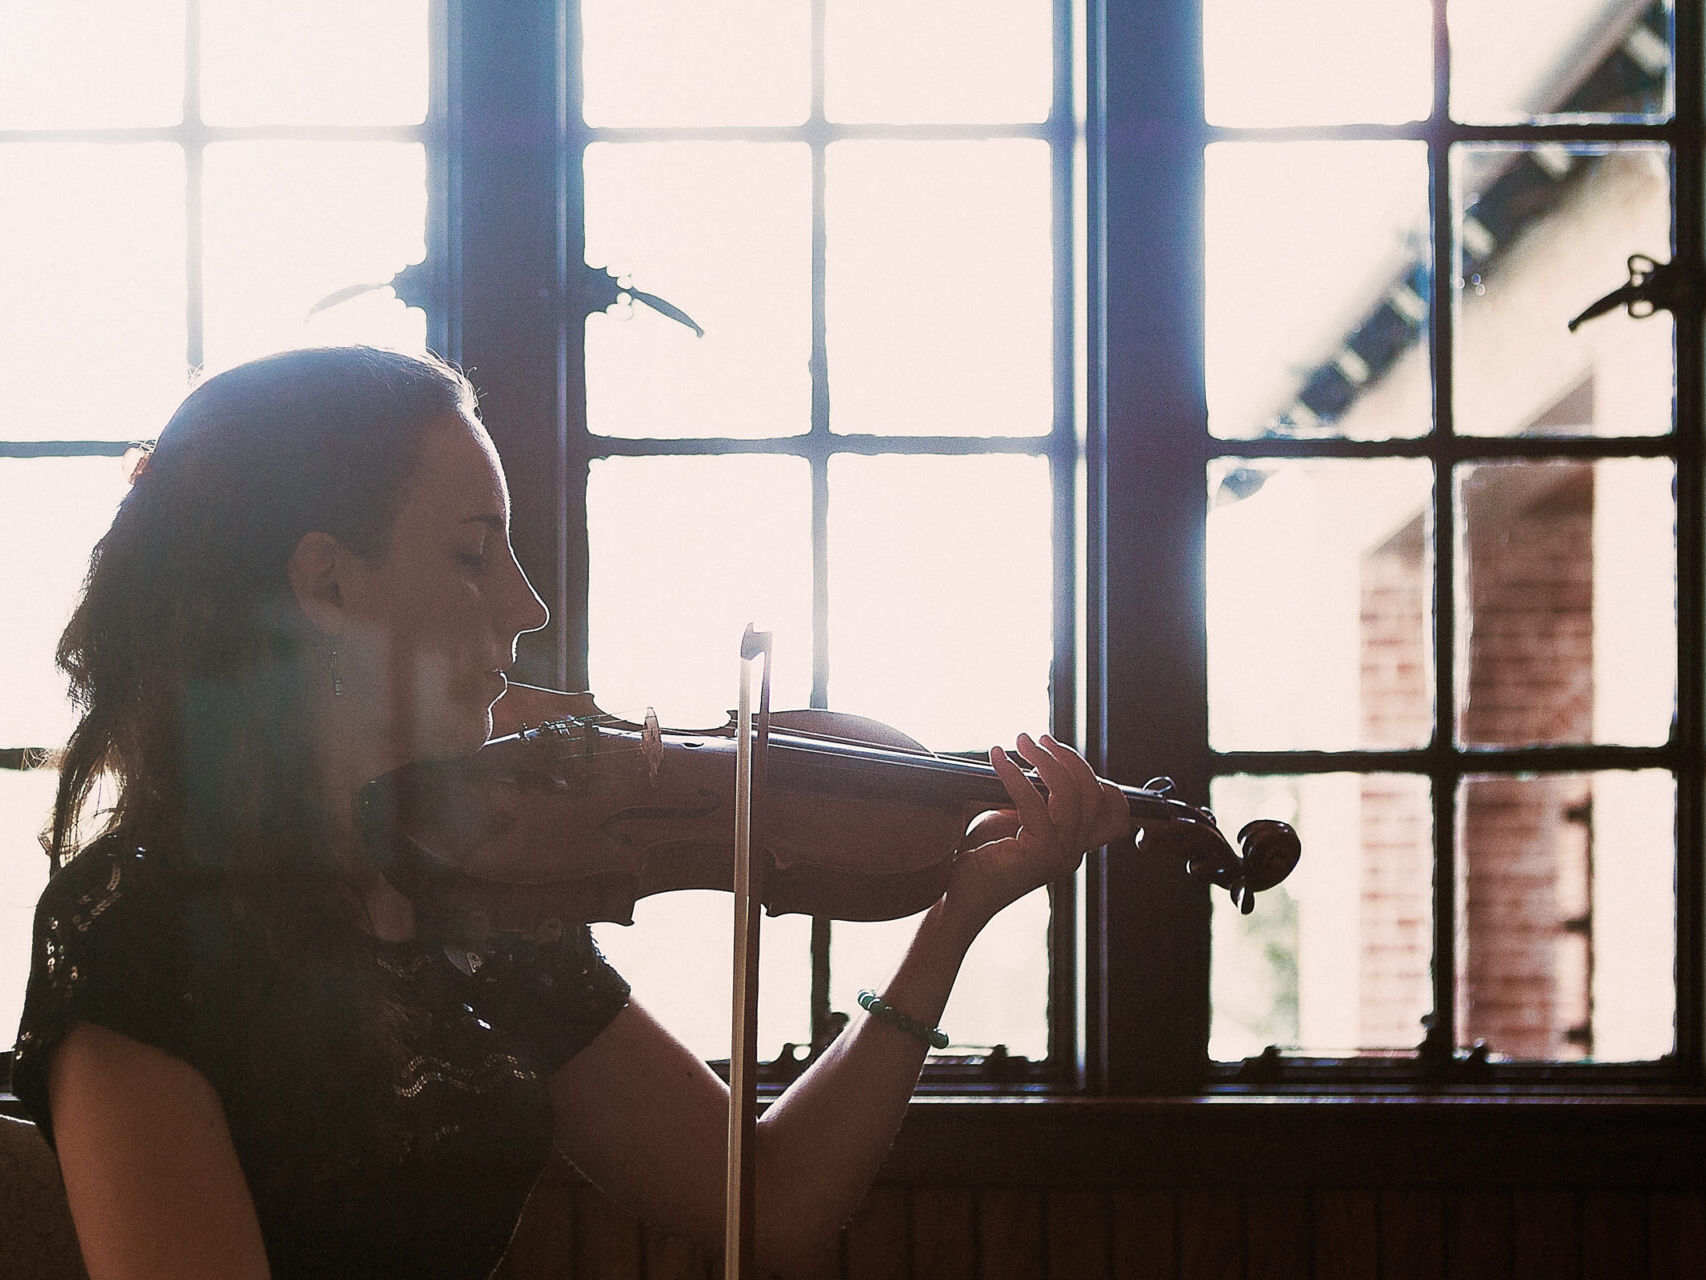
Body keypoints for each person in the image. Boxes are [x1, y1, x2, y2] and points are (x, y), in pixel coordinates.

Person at [10, 345, 1129, 1280]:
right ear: (326, 583)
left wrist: (956, 913)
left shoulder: (476, 898)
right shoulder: (137, 932)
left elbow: (769, 1200)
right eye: (470, 551)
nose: (525, 603)